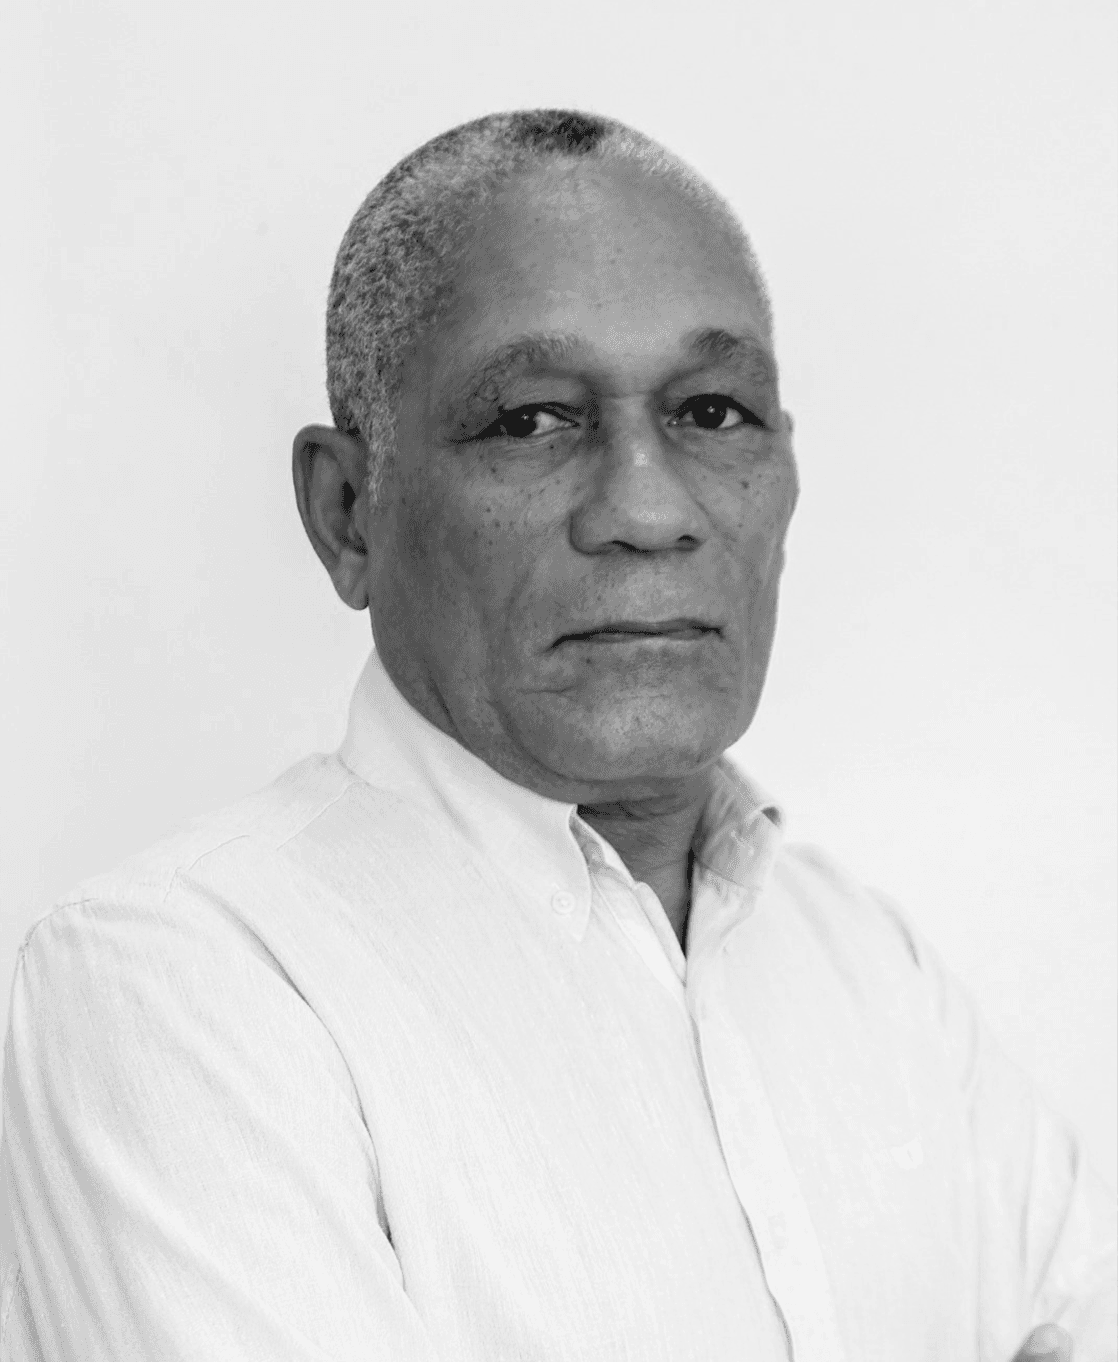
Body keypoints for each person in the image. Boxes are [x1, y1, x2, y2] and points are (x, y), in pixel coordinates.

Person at [1, 109, 1113, 1362]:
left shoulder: (872, 971)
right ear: (347, 513)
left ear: (785, 470)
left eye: (709, 411)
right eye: (533, 419)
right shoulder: (181, 987)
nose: (646, 509)